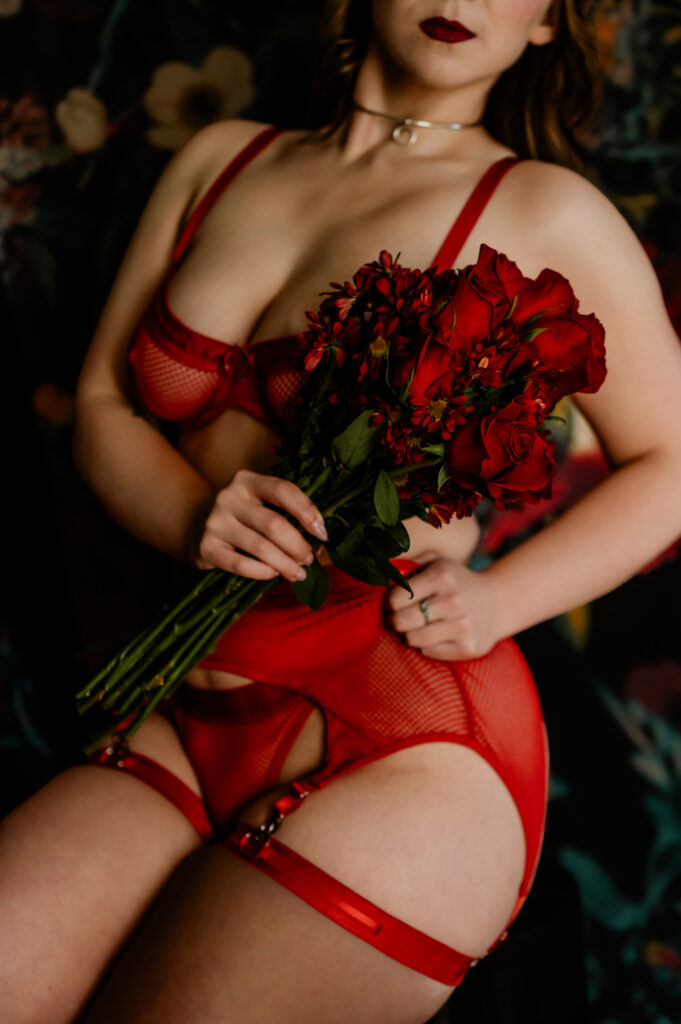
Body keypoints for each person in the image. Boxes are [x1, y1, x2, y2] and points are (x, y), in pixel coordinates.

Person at [2, 2, 681, 1021]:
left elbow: (675, 463)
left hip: (409, 733)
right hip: (192, 707)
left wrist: (500, 601)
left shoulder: (547, 211)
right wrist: (194, 513)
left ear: (548, 22)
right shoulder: (222, 158)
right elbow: (102, 401)